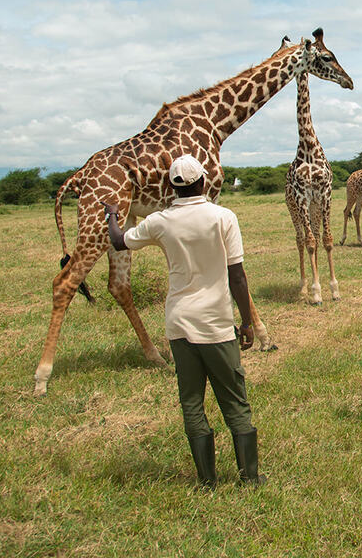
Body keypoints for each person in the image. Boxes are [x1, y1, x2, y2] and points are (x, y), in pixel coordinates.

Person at [103, 154, 266, 488]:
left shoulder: (161, 221)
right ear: (203, 182)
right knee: (235, 400)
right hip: (217, 325)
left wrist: (112, 217)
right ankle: (249, 477)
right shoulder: (223, 217)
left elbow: (120, 240)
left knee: (192, 402)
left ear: (171, 186)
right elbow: (237, 276)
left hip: (178, 324)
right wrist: (247, 322)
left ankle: (207, 480)